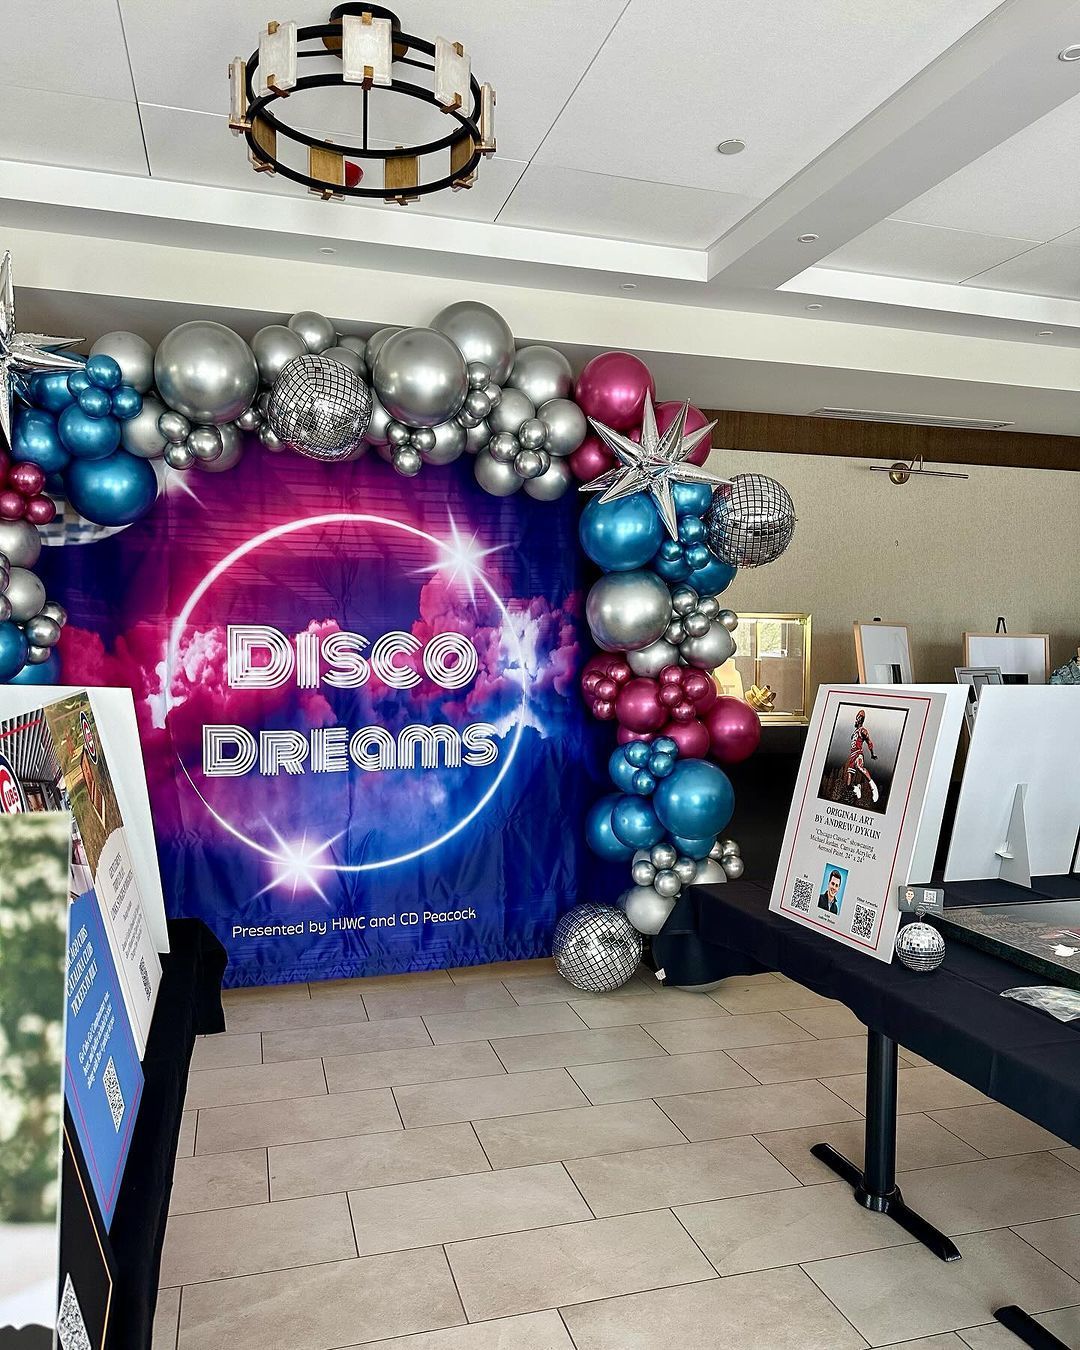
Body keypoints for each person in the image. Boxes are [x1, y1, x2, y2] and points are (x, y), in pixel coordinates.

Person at [845, 709, 879, 804]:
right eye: (857, 717)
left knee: (860, 767)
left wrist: (872, 754)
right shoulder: (854, 733)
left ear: (861, 719)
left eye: (859, 717)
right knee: (848, 785)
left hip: (858, 753)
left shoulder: (863, 730)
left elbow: (869, 742)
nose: (857, 719)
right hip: (852, 756)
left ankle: (873, 786)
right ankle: (856, 788)